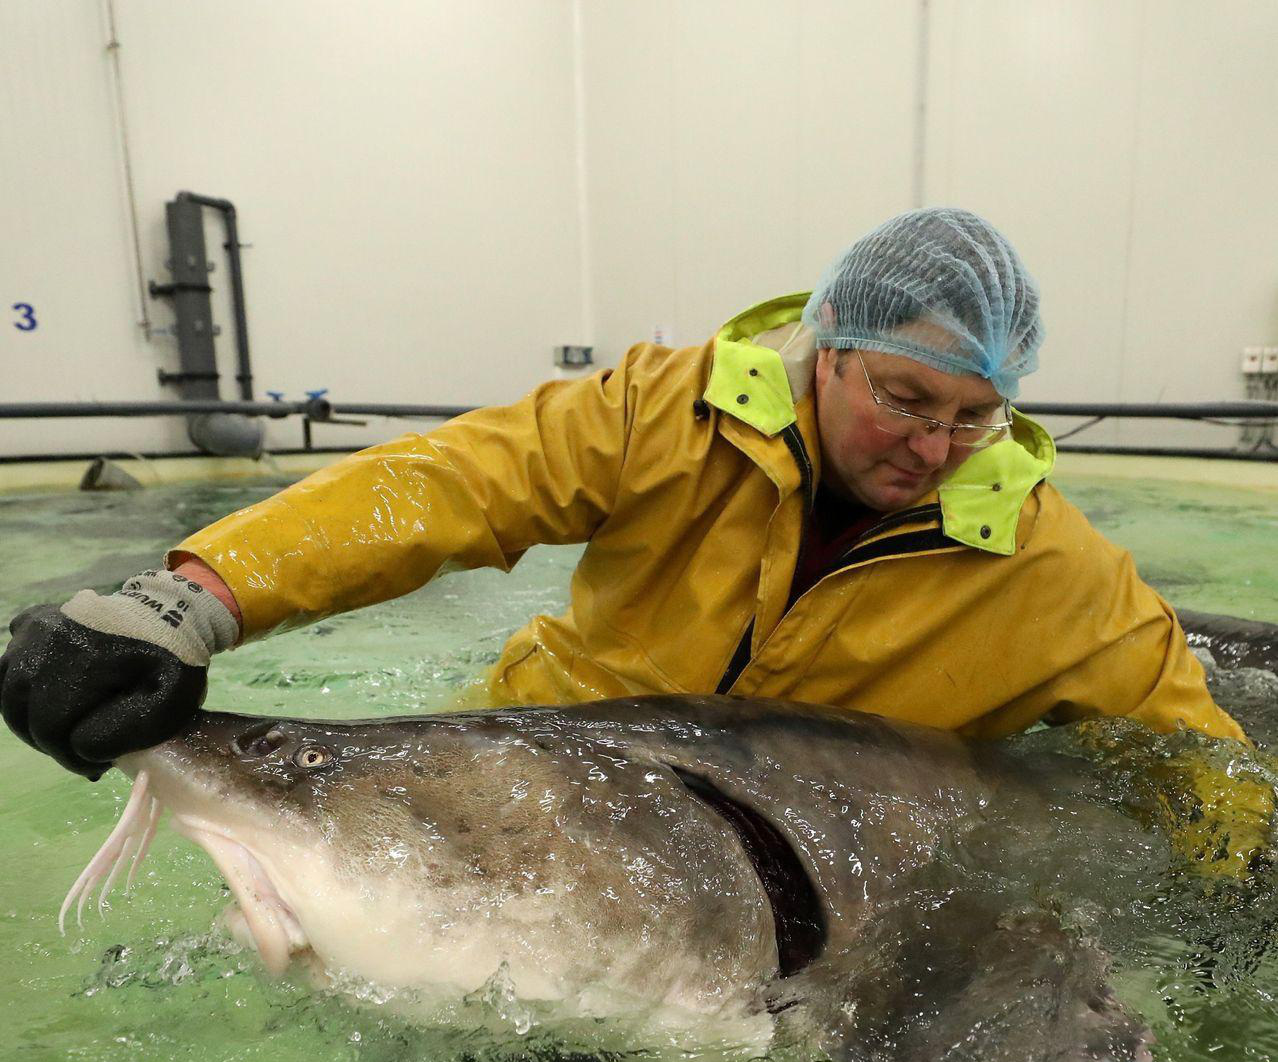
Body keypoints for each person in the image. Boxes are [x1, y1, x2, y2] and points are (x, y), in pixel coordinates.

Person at [0, 207, 1245, 784]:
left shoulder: (1056, 571)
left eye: (975, 420)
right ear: (826, 349)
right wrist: (196, 596)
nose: (935, 448)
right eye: (905, 401)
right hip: (534, 788)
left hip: (795, 885)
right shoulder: (670, 407)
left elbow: (1190, 743)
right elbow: (452, 485)